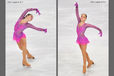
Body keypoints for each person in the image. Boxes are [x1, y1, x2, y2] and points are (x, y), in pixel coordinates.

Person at [74, 2, 102, 73]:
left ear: (86, 18)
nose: (82, 18)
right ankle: (89, 61)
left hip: (83, 40)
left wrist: (100, 30)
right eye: (81, 16)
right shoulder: (78, 22)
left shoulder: (86, 25)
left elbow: (94, 26)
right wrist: (77, 7)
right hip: (79, 40)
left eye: (84, 17)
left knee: (83, 54)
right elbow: (77, 14)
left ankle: (84, 66)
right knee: (84, 52)